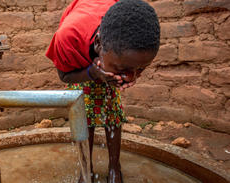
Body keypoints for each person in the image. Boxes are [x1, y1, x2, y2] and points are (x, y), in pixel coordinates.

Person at [46, 0, 160, 182]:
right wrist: (92, 73)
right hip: (81, 64)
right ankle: (86, 168)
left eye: (141, 69)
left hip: (105, 53)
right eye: (125, 70)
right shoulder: (68, 38)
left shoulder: (127, 29)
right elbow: (65, 76)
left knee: (112, 113)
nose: (131, 78)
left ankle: (115, 166)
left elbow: (128, 63)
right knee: (84, 115)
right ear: (99, 44)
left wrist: (122, 71)